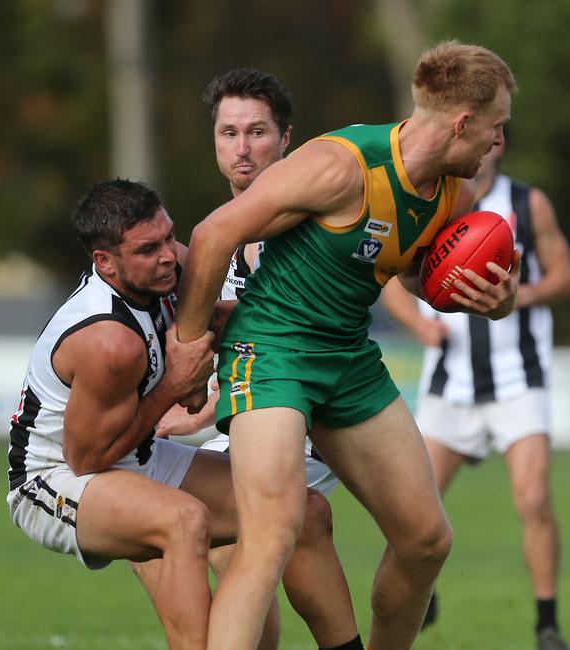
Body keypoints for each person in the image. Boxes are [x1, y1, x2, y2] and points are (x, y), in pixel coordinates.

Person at [177, 40, 521, 650]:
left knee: (425, 541)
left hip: (348, 357)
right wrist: (186, 348)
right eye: (495, 128)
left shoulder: (453, 194)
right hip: (273, 349)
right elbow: (211, 236)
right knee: (273, 534)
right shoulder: (342, 164)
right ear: (462, 123)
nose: (498, 143)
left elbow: (420, 275)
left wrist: (494, 300)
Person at [5, 179, 361, 650]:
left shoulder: (174, 269)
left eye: (169, 237)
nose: (169, 255)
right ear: (105, 262)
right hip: (54, 479)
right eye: (147, 249)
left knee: (303, 510)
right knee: (184, 521)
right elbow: (88, 458)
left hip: (136, 455)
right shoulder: (108, 342)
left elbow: (229, 316)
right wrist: (174, 385)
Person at [156, 68, 350, 650]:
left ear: (286, 138)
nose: (242, 149)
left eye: (257, 132)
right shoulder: (228, 230)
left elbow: (292, 338)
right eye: (228, 133)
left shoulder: (307, 220)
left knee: (258, 535)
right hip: (253, 406)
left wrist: (202, 408)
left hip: (303, 411)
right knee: (238, 545)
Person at [382, 135, 570, 650]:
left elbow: (566, 276)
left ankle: (546, 625)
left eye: (494, 139)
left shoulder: (526, 203)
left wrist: (517, 294)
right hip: (449, 382)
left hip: (519, 378)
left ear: (503, 146)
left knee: (533, 498)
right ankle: (427, 596)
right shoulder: (433, 201)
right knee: (411, 508)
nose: (483, 148)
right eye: (475, 139)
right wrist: (417, 324)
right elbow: (389, 281)